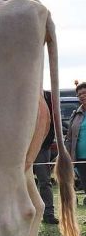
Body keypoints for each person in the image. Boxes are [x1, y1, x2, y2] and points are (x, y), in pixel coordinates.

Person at [34, 92, 59, 224]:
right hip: (22, 147)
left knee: (44, 181)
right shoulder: (21, 91)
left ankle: (48, 213)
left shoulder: (48, 96)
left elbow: (53, 121)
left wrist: (45, 144)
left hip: (42, 147)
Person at [64, 81, 86, 199]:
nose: (82, 96)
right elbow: (69, 138)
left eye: (84, 93)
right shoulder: (75, 114)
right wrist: (67, 157)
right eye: (79, 94)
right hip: (80, 159)